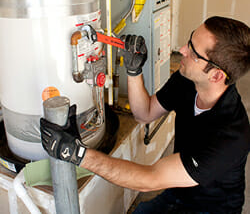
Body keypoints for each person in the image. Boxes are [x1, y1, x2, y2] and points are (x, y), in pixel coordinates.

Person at [40, 16, 250, 213]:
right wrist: (134, 70)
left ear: (216, 75)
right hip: (177, 192)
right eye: (189, 40)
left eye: (193, 52)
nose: (182, 50)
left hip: (212, 208)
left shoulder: (231, 135)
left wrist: (77, 154)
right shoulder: (187, 81)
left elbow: (150, 179)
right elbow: (144, 113)